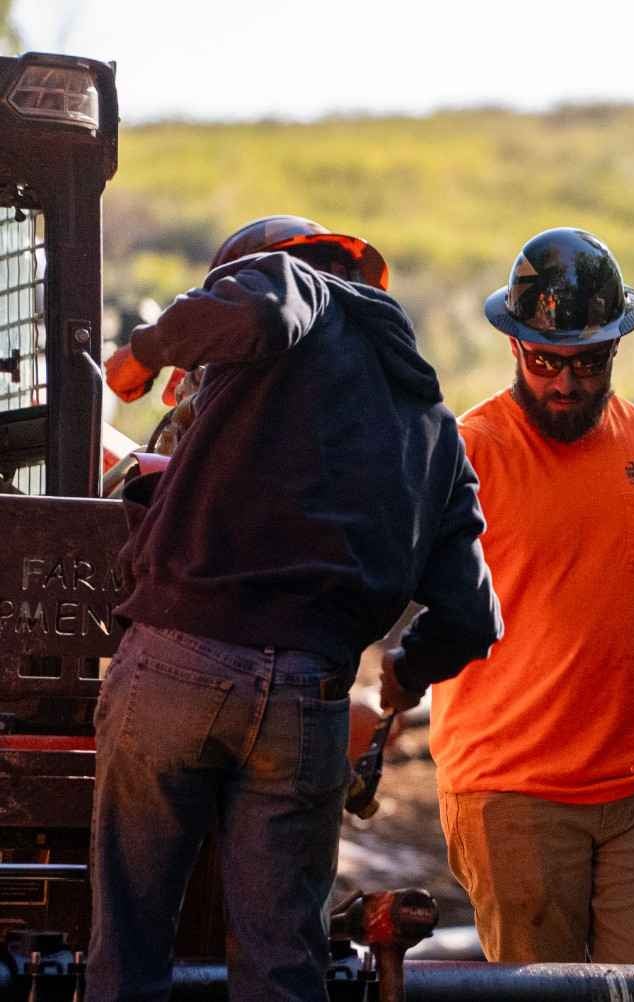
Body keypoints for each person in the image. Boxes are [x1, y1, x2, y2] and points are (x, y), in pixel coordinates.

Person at [95, 214, 503, 1001]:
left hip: (179, 662)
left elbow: (252, 312)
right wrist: (406, 669)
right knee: (285, 966)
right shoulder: (435, 431)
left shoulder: (298, 286)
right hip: (309, 700)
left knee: (132, 945)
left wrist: (143, 353)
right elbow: (471, 614)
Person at [407, 227, 634, 1002]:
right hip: (510, 793)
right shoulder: (465, 454)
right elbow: (383, 588)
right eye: (546, 362)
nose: (566, 384)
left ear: (616, 350)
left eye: (587, 363)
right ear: (514, 348)